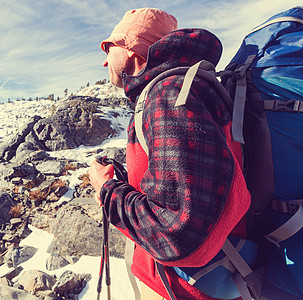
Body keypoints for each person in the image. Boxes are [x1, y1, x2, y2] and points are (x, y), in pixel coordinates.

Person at [88, 8, 250, 300]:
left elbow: (175, 232)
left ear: (131, 49)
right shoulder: (174, 91)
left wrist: (107, 190)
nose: (104, 59)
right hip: (196, 281)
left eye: (108, 47)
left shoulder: (168, 96)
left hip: (184, 288)